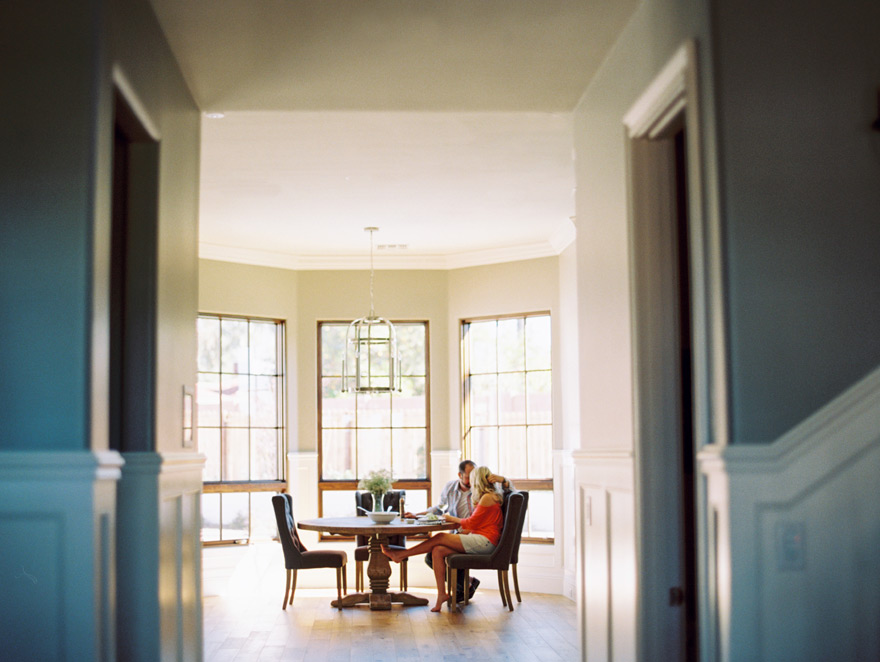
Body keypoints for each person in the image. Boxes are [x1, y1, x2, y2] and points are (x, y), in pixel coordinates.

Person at [383, 466, 505, 612]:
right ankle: (442, 594)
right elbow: (475, 523)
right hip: (479, 538)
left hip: (485, 542)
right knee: (438, 550)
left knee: (440, 537)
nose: (470, 483)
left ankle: (401, 555)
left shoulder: (487, 498)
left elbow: (471, 523)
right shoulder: (488, 497)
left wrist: (450, 518)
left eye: (472, 479)